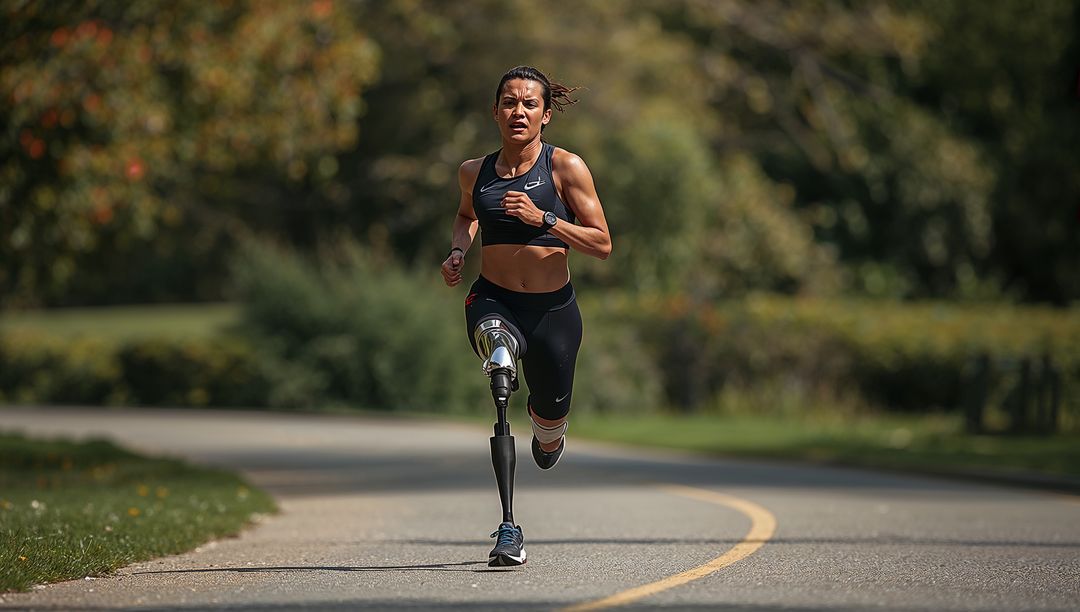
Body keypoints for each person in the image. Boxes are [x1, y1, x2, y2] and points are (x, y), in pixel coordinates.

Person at [440, 66, 612, 566]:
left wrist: (545, 219)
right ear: (495, 112)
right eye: (509, 102)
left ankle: (549, 433)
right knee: (499, 368)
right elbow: (466, 215)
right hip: (493, 299)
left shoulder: (566, 168)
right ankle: (509, 527)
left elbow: (602, 243)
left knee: (549, 418)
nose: (519, 111)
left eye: (529, 103)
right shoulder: (473, 172)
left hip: (552, 312)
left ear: (545, 114)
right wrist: (457, 251)